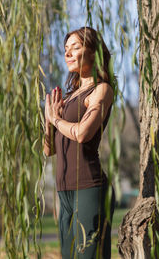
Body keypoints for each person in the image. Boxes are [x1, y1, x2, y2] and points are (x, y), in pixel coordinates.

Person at [44, 26, 115, 259]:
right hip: (63, 191)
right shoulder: (68, 96)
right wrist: (48, 121)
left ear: (94, 52)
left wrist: (55, 118)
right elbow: (48, 150)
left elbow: (83, 134)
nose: (67, 53)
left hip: (88, 188)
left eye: (75, 47)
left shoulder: (101, 90)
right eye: (66, 49)